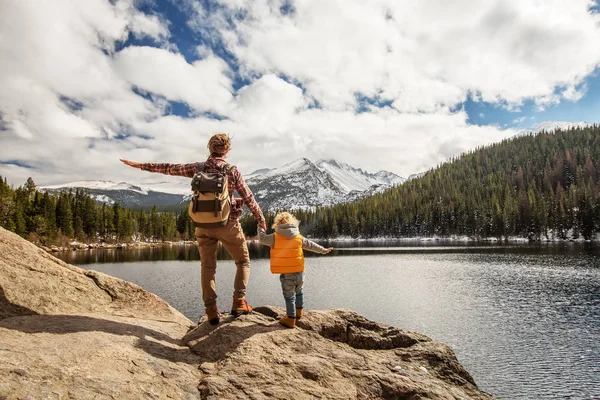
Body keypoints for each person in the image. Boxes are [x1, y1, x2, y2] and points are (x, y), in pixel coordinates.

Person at [120, 133, 266, 325]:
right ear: (227, 150)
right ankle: (239, 302)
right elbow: (248, 197)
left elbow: (169, 169)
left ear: (209, 148)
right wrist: (260, 218)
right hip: (227, 224)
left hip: (202, 225)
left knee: (208, 267)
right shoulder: (232, 170)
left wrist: (140, 165)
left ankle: (211, 310)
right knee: (243, 262)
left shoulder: (198, 168)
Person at [257, 211, 332, 328]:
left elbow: (262, 238)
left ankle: (291, 319)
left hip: (287, 275)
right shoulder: (298, 237)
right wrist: (323, 250)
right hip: (300, 272)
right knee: (299, 291)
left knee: (289, 295)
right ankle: (299, 313)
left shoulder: (274, 238)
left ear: (278, 223)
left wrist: (260, 226)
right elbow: (311, 245)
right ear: (293, 223)